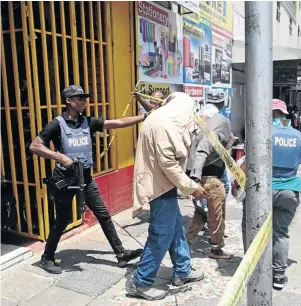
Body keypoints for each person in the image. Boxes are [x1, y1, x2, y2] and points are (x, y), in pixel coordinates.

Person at [30, 85, 146, 274]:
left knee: (103, 214)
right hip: (64, 180)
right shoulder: (56, 124)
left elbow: (118, 122)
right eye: (79, 99)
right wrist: (59, 156)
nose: (84, 102)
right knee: (63, 220)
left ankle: (121, 253)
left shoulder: (88, 122)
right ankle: (47, 257)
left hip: (85, 177)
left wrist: (144, 117)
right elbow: (35, 146)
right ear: (69, 101)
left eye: (84, 99)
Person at [126, 92, 206, 301]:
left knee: (176, 229)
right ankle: (140, 282)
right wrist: (191, 187)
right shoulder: (163, 124)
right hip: (159, 187)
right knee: (161, 234)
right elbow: (168, 163)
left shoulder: (162, 118)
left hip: (163, 184)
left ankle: (183, 270)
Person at [233, 99, 301, 290]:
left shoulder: (261, 132)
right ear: (283, 114)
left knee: (250, 227)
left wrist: (236, 183)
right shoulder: (297, 135)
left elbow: (246, 164)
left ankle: (253, 270)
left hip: (260, 190)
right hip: (289, 190)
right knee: (280, 233)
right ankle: (278, 276)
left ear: (269, 114)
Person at [186, 111, 233, 260]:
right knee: (216, 217)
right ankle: (216, 249)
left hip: (203, 180)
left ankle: (185, 243)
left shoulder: (203, 133)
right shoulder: (213, 134)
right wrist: (196, 179)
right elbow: (201, 153)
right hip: (211, 181)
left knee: (201, 214)